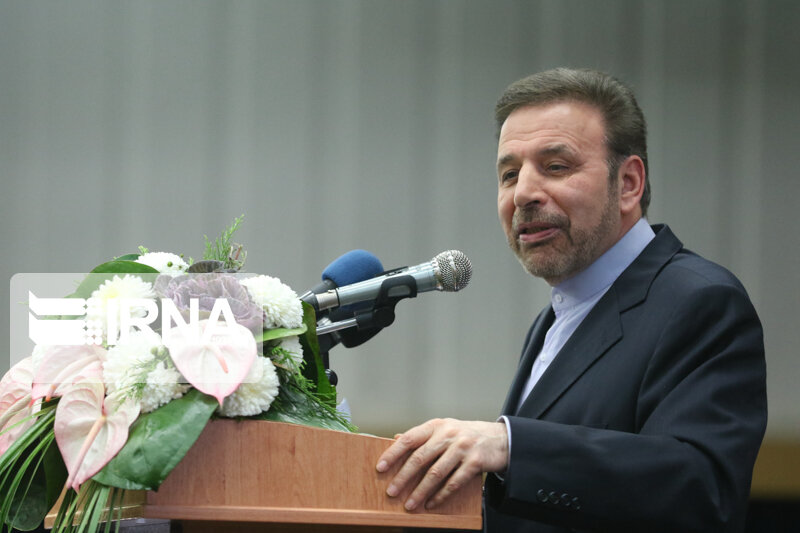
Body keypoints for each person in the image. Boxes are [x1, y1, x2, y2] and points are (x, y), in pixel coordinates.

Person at [375, 68, 767, 532]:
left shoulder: (700, 301)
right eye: (509, 174)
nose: (523, 193)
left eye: (556, 167)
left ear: (628, 183)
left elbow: (702, 489)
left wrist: (511, 446)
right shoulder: (556, 317)